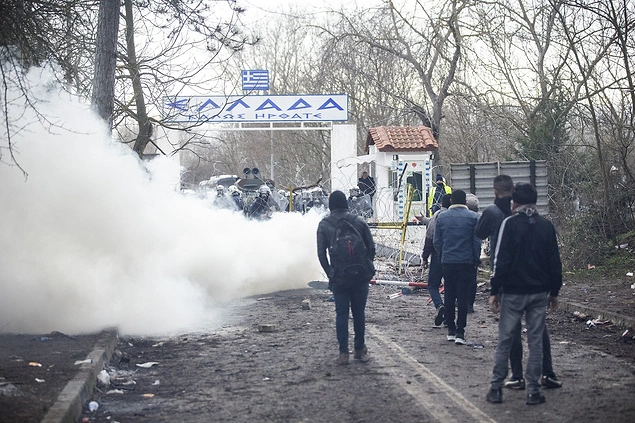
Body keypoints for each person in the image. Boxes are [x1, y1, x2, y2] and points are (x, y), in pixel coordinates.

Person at [476, 176, 563, 391]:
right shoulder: (546, 225)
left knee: (511, 332)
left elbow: (501, 259)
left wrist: (495, 289)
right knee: (539, 333)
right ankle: (546, 373)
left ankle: (516, 376)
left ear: (514, 201)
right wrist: (554, 291)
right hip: (539, 289)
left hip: (512, 288)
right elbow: (554, 261)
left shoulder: (508, 223)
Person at [317, 190, 376, 365]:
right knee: (359, 312)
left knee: (341, 313)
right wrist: (365, 266)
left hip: (339, 277)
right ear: (346, 203)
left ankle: (343, 352)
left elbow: (321, 254)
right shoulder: (359, 221)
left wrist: (331, 273)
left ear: (330, 205)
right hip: (360, 276)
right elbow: (371, 248)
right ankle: (359, 348)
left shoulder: (324, 225)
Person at [433, 190, 480, 345]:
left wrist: (442, 255)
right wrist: (475, 259)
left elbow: (437, 241)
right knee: (463, 297)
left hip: (448, 261)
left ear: (451, 201)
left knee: (449, 294)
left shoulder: (442, 217)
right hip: (466, 262)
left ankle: (451, 329)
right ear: (465, 202)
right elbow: (476, 242)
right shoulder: (473, 217)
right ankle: (461, 331)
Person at [421, 193, 451, 326]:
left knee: (433, 284)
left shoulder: (438, 215)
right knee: (451, 287)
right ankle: (449, 316)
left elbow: (429, 237)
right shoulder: (459, 216)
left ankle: (439, 305)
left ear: (441, 204)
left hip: (438, 255)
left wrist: (424, 257)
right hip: (455, 256)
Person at [466, 193, 480, 313]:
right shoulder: (477, 218)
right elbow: (477, 241)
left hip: (455, 256)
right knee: (472, 280)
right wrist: (477, 257)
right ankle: (469, 304)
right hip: (470, 256)